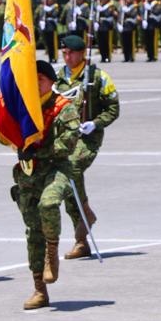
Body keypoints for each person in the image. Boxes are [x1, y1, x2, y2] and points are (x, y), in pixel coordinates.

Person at [10, 59, 81, 309]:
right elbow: (8, 132)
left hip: (57, 169)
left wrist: (38, 150)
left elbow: (68, 143)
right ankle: (39, 289)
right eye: (33, 79)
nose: (36, 83)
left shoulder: (63, 107)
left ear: (51, 81)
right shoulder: (23, 108)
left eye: (40, 79)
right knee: (33, 232)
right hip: (29, 174)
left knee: (49, 204)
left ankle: (53, 252)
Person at [53, 34, 119, 261]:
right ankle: (82, 234)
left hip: (87, 138)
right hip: (64, 138)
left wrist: (95, 123)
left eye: (71, 53)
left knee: (71, 167)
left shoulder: (98, 77)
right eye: (64, 53)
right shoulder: (58, 78)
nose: (67, 56)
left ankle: (85, 218)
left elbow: (113, 108)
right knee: (66, 183)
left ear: (82, 53)